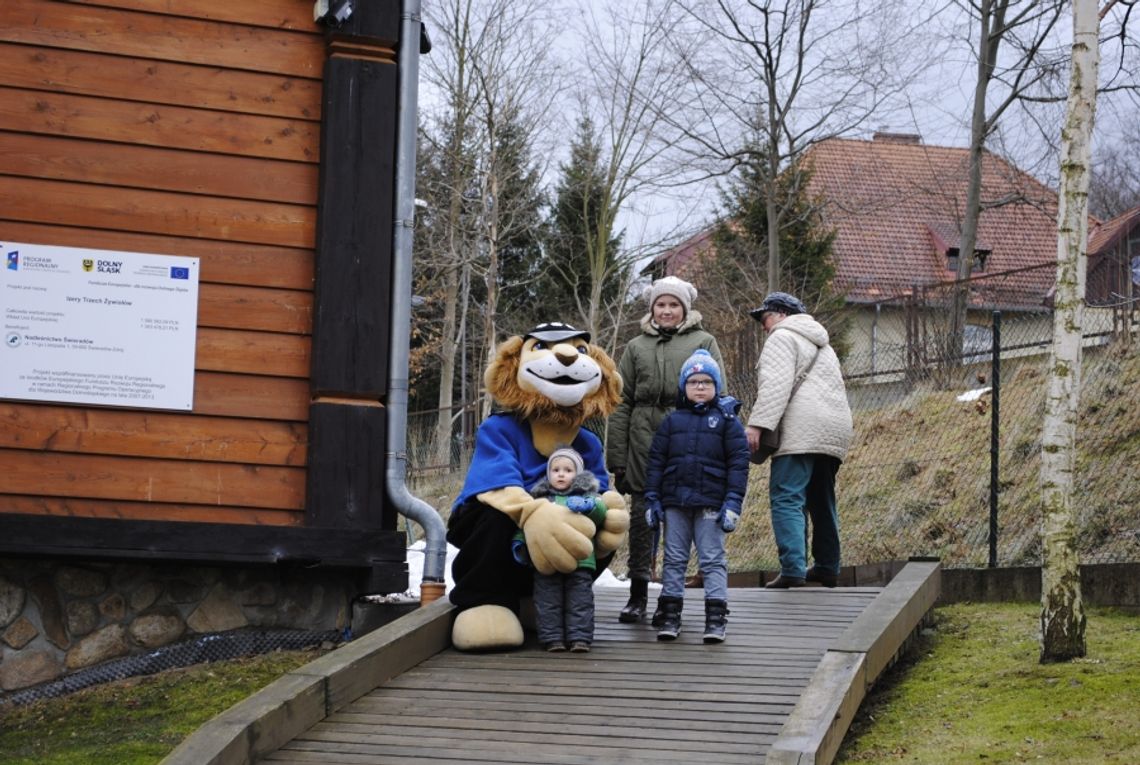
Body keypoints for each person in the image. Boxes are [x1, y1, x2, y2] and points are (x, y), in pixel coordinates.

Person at [607, 276, 726, 624]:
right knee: (643, 519)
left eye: (673, 305)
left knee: (681, 519)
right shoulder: (635, 347)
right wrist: (618, 458)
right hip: (643, 441)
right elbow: (621, 402)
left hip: (687, 441)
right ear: (652, 308)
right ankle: (638, 594)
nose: (667, 310)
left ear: (684, 308)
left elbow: (718, 395)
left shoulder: (704, 341)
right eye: (661, 304)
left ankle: (671, 598)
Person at [745, 292, 853, 589]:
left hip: (801, 429)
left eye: (765, 318)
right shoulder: (823, 344)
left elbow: (774, 386)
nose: (764, 326)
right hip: (834, 429)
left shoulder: (782, 337)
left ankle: (793, 568)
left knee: (786, 496)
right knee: (821, 499)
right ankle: (827, 566)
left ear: (781, 314)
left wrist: (756, 425)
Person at [642, 350, 749, 643]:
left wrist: (732, 504)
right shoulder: (671, 422)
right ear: (683, 387)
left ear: (716, 386)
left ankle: (715, 618)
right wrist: (652, 499)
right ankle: (671, 615)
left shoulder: (728, 423)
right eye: (693, 382)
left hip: (711, 503)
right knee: (674, 559)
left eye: (706, 381)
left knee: (713, 559)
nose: (699, 387)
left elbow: (738, 466)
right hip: (675, 502)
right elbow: (656, 464)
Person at [511, 447, 610, 652]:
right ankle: (551, 637)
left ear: (578, 473)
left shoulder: (588, 497)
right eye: (556, 470)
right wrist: (520, 542)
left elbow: (600, 515)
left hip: (581, 560)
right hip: (548, 560)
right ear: (549, 474)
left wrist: (589, 506)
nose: (561, 474)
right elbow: (528, 524)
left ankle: (580, 637)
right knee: (548, 600)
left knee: (580, 600)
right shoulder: (540, 500)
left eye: (568, 470)